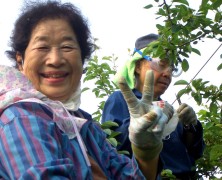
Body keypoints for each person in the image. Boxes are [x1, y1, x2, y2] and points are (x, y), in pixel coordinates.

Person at [0, 1, 169, 179]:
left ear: (82, 60)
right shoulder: (22, 116)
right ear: (20, 61)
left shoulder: (84, 124)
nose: (55, 60)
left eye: (67, 47)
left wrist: (146, 152)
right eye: (42, 47)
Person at [102, 33, 205, 179]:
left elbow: (194, 153)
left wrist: (191, 126)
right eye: (161, 65)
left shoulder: (168, 110)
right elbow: (112, 145)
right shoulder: (119, 99)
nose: (167, 73)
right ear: (138, 66)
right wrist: (138, 125)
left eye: (172, 69)